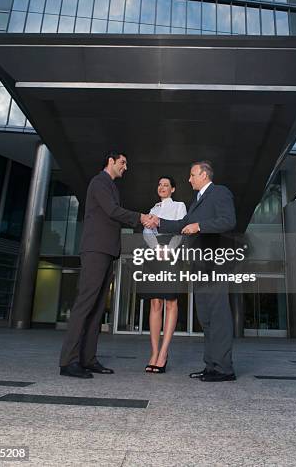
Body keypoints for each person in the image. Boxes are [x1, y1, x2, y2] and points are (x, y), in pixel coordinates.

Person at [59, 151, 157, 379]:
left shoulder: (111, 186)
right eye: (123, 162)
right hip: (95, 249)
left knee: (97, 308)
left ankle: (88, 359)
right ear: (110, 161)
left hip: (107, 251)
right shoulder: (99, 182)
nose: (126, 167)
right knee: (85, 304)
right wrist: (142, 217)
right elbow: (112, 211)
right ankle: (68, 361)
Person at [152, 161, 237, 382]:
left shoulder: (220, 192)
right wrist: (158, 222)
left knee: (218, 317)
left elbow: (228, 221)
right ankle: (212, 366)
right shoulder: (197, 202)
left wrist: (200, 227)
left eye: (192, 175)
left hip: (215, 264)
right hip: (199, 266)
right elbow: (182, 223)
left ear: (204, 174)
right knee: (206, 318)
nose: (189, 180)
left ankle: (225, 369)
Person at [141, 176, 186, 374]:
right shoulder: (153, 209)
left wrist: (168, 250)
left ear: (173, 189)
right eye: (159, 184)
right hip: (153, 256)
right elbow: (146, 232)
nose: (162, 187)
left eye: (166, 185)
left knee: (171, 303)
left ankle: (164, 353)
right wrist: (156, 248)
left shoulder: (179, 206)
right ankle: (153, 352)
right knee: (155, 303)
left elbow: (181, 230)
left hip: (172, 256)